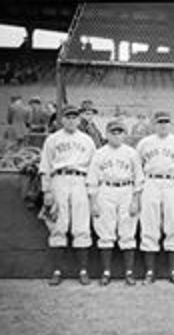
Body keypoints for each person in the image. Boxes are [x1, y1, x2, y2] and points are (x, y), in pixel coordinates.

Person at [39, 105, 96, 286]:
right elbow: (45, 166)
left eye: (74, 117)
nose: (71, 120)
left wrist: (92, 190)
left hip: (81, 180)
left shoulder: (87, 140)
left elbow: (94, 168)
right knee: (58, 225)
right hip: (59, 179)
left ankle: (83, 271)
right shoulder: (52, 139)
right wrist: (46, 190)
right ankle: (57, 271)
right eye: (68, 117)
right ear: (61, 119)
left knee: (81, 225)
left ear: (79, 120)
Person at [136, 111, 174, 285]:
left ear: (170, 123)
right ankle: (150, 272)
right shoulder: (145, 143)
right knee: (149, 225)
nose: (163, 125)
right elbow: (138, 167)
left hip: (173, 182)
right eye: (160, 122)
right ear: (154, 124)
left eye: (166, 122)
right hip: (151, 182)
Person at [87, 119, 144, 286]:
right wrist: (93, 202)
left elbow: (139, 179)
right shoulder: (100, 153)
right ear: (107, 134)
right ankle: (106, 272)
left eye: (120, 132)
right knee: (105, 231)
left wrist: (136, 200)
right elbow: (92, 180)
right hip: (106, 190)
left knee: (128, 231)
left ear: (124, 134)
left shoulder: (131, 153)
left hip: (126, 190)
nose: (117, 135)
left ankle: (129, 272)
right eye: (113, 132)